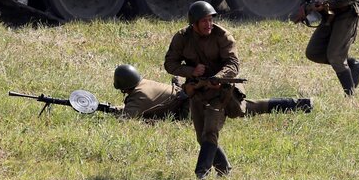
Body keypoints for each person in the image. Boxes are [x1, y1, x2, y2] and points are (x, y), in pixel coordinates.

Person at [164, 0, 241, 179]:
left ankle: (201, 173)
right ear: (194, 23)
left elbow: (233, 63)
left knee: (210, 131)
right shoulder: (182, 37)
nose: (209, 24)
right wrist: (191, 71)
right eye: (204, 21)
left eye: (210, 20)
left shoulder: (223, 36)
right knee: (202, 138)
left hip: (220, 91)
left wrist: (220, 78)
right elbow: (170, 64)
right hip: (197, 91)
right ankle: (224, 169)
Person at [112, 64, 312, 120]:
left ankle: (299, 105)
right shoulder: (144, 83)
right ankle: (301, 103)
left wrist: (107, 111)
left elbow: (126, 118)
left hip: (191, 108)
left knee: (247, 109)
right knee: (252, 106)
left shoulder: (139, 96)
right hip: (193, 98)